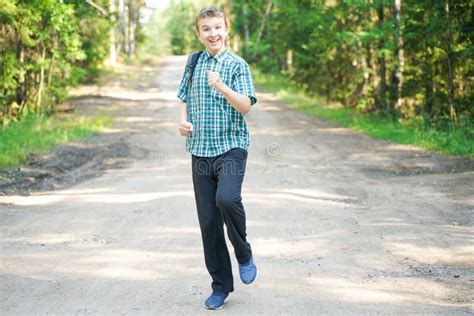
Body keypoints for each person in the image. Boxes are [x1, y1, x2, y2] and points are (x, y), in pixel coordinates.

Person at [176, 6, 258, 311]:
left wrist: (222, 87)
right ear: (199, 33)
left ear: (227, 30)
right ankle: (220, 286)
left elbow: (246, 106)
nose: (213, 33)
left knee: (227, 200)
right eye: (206, 29)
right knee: (209, 223)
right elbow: (183, 97)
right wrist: (182, 122)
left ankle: (243, 252)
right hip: (199, 150)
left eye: (218, 27)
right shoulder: (194, 63)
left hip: (231, 146)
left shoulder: (237, 65)